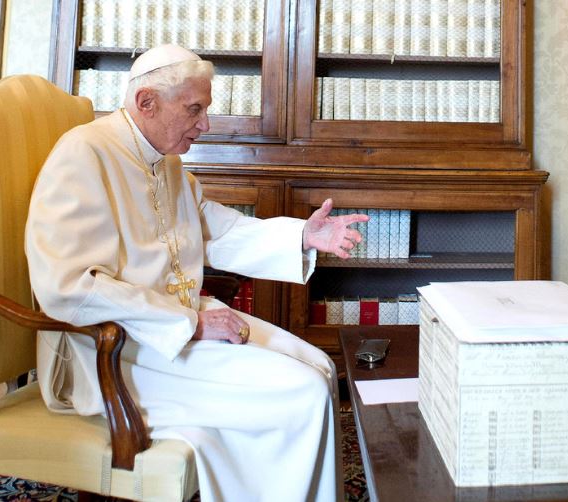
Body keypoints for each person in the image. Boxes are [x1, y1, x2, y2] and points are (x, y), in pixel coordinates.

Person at [25, 44, 368, 502]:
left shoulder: (163, 161)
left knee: (321, 369)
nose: (205, 124)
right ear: (147, 102)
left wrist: (302, 238)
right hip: (114, 349)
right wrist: (191, 323)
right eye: (195, 109)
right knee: (301, 392)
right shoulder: (83, 154)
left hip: (170, 331)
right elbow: (67, 288)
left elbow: (211, 228)